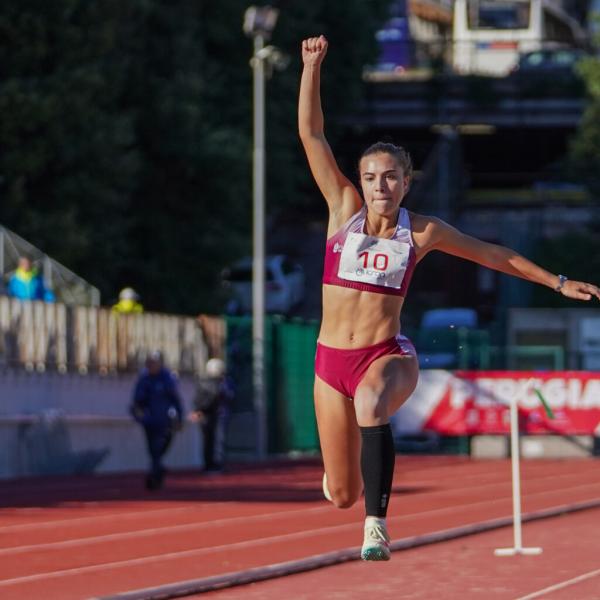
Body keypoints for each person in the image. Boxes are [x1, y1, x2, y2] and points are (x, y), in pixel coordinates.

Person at [298, 35, 600, 562]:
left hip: (385, 357)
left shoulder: (422, 234)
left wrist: (556, 281)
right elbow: (312, 132)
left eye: (390, 177)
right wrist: (311, 67)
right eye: (371, 177)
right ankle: (349, 488)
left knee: (370, 403)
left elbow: (492, 255)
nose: (379, 186)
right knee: (341, 493)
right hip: (330, 364)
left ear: (406, 182)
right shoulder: (340, 209)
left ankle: (377, 527)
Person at [130, 350, 183, 489]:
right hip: (150, 422)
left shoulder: (167, 378)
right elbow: (137, 402)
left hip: (165, 421)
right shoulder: (144, 379)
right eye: (150, 363)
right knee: (153, 450)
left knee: (161, 448)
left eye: (154, 362)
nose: (151, 365)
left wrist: (179, 418)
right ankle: (156, 474)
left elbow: (175, 400)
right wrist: (139, 416)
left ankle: (157, 470)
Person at [189, 357, 234, 473]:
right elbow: (206, 399)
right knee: (212, 441)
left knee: (213, 441)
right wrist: (199, 410)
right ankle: (211, 464)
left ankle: (213, 464)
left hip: (213, 415)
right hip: (211, 415)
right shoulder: (212, 383)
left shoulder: (221, 382)